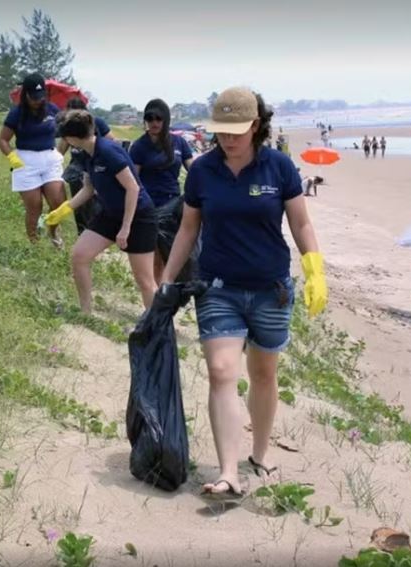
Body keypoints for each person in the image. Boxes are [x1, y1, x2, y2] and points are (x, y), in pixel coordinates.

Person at [160, 86, 326, 500]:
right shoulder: (201, 171)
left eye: (236, 130)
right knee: (221, 371)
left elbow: (301, 224)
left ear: (255, 125)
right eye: (221, 131)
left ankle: (259, 452)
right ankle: (229, 471)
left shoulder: (279, 168)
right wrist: (166, 280)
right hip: (218, 287)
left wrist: (314, 269)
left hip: (272, 289)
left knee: (263, 374)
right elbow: (188, 228)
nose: (228, 138)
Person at [44, 110, 158, 313]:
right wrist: (65, 208)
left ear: (72, 138)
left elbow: (133, 188)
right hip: (110, 213)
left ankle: (158, 325)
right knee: (79, 256)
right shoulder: (87, 153)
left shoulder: (108, 152)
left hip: (138, 216)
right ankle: (86, 312)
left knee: (144, 280)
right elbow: (88, 188)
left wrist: (125, 228)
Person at [129, 99, 195, 280]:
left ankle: (173, 292)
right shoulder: (139, 146)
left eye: (158, 118)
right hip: (150, 206)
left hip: (174, 205)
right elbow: (132, 181)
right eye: (149, 118)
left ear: (165, 120)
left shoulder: (179, 143)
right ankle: (158, 298)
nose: (154, 123)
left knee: (176, 255)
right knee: (156, 258)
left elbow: (194, 169)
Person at [0, 72, 66, 245]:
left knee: (58, 202)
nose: (38, 100)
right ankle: (34, 242)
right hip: (26, 160)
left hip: (50, 158)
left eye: (41, 96)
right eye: (33, 97)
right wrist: (11, 156)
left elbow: (66, 132)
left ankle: (53, 232)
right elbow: (3, 140)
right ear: (25, 94)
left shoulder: (52, 110)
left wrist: (60, 152)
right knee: (35, 206)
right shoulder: (16, 114)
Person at [57, 97, 114, 235]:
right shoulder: (68, 126)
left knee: (96, 204)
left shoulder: (96, 123)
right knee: (80, 205)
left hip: (96, 165)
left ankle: (97, 233)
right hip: (77, 167)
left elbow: (111, 141)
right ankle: (83, 233)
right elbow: (60, 151)